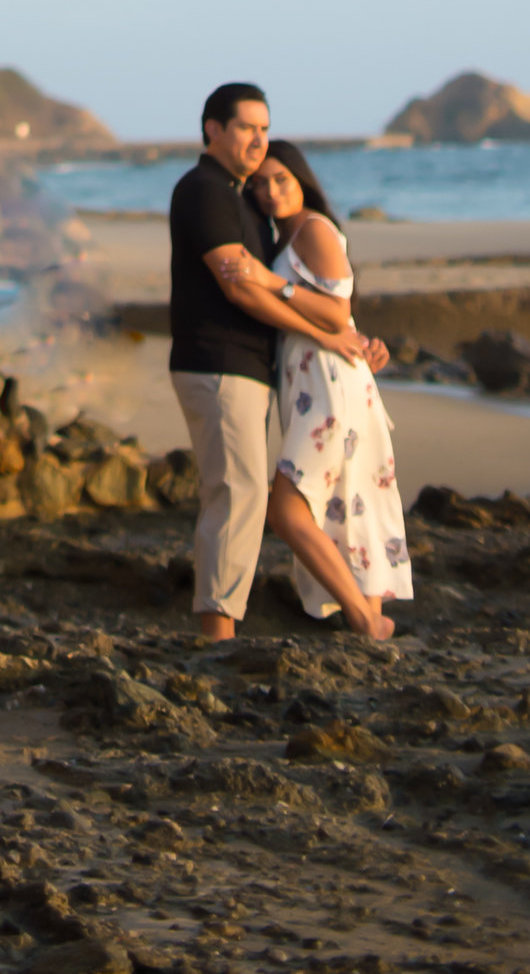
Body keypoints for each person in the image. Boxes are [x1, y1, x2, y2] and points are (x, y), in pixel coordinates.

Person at [167, 81, 393, 644]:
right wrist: (328, 333)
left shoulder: (247, 203)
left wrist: (346, 336)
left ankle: (359, 614)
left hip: (270, 374)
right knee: (241, 495)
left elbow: (327, 301)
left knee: (299, 496)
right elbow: (242, 290)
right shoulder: (206, 191)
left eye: (264, 130)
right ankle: (219, 638)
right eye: (246, 127)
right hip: (220, 363)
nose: (257, 140)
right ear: (212, 129)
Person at [257, 139, 412, 630]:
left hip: (329, 387)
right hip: (316, 382)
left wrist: (269, 282)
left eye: (281, 179)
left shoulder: (314, 228)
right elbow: (340, 321)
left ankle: (365, 620)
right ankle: (370, 618)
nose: (270, 191)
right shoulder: (286, 237)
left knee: (287, 511)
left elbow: (336, 310)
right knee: (346, 503)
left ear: (302, 179)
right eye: (259, 183)